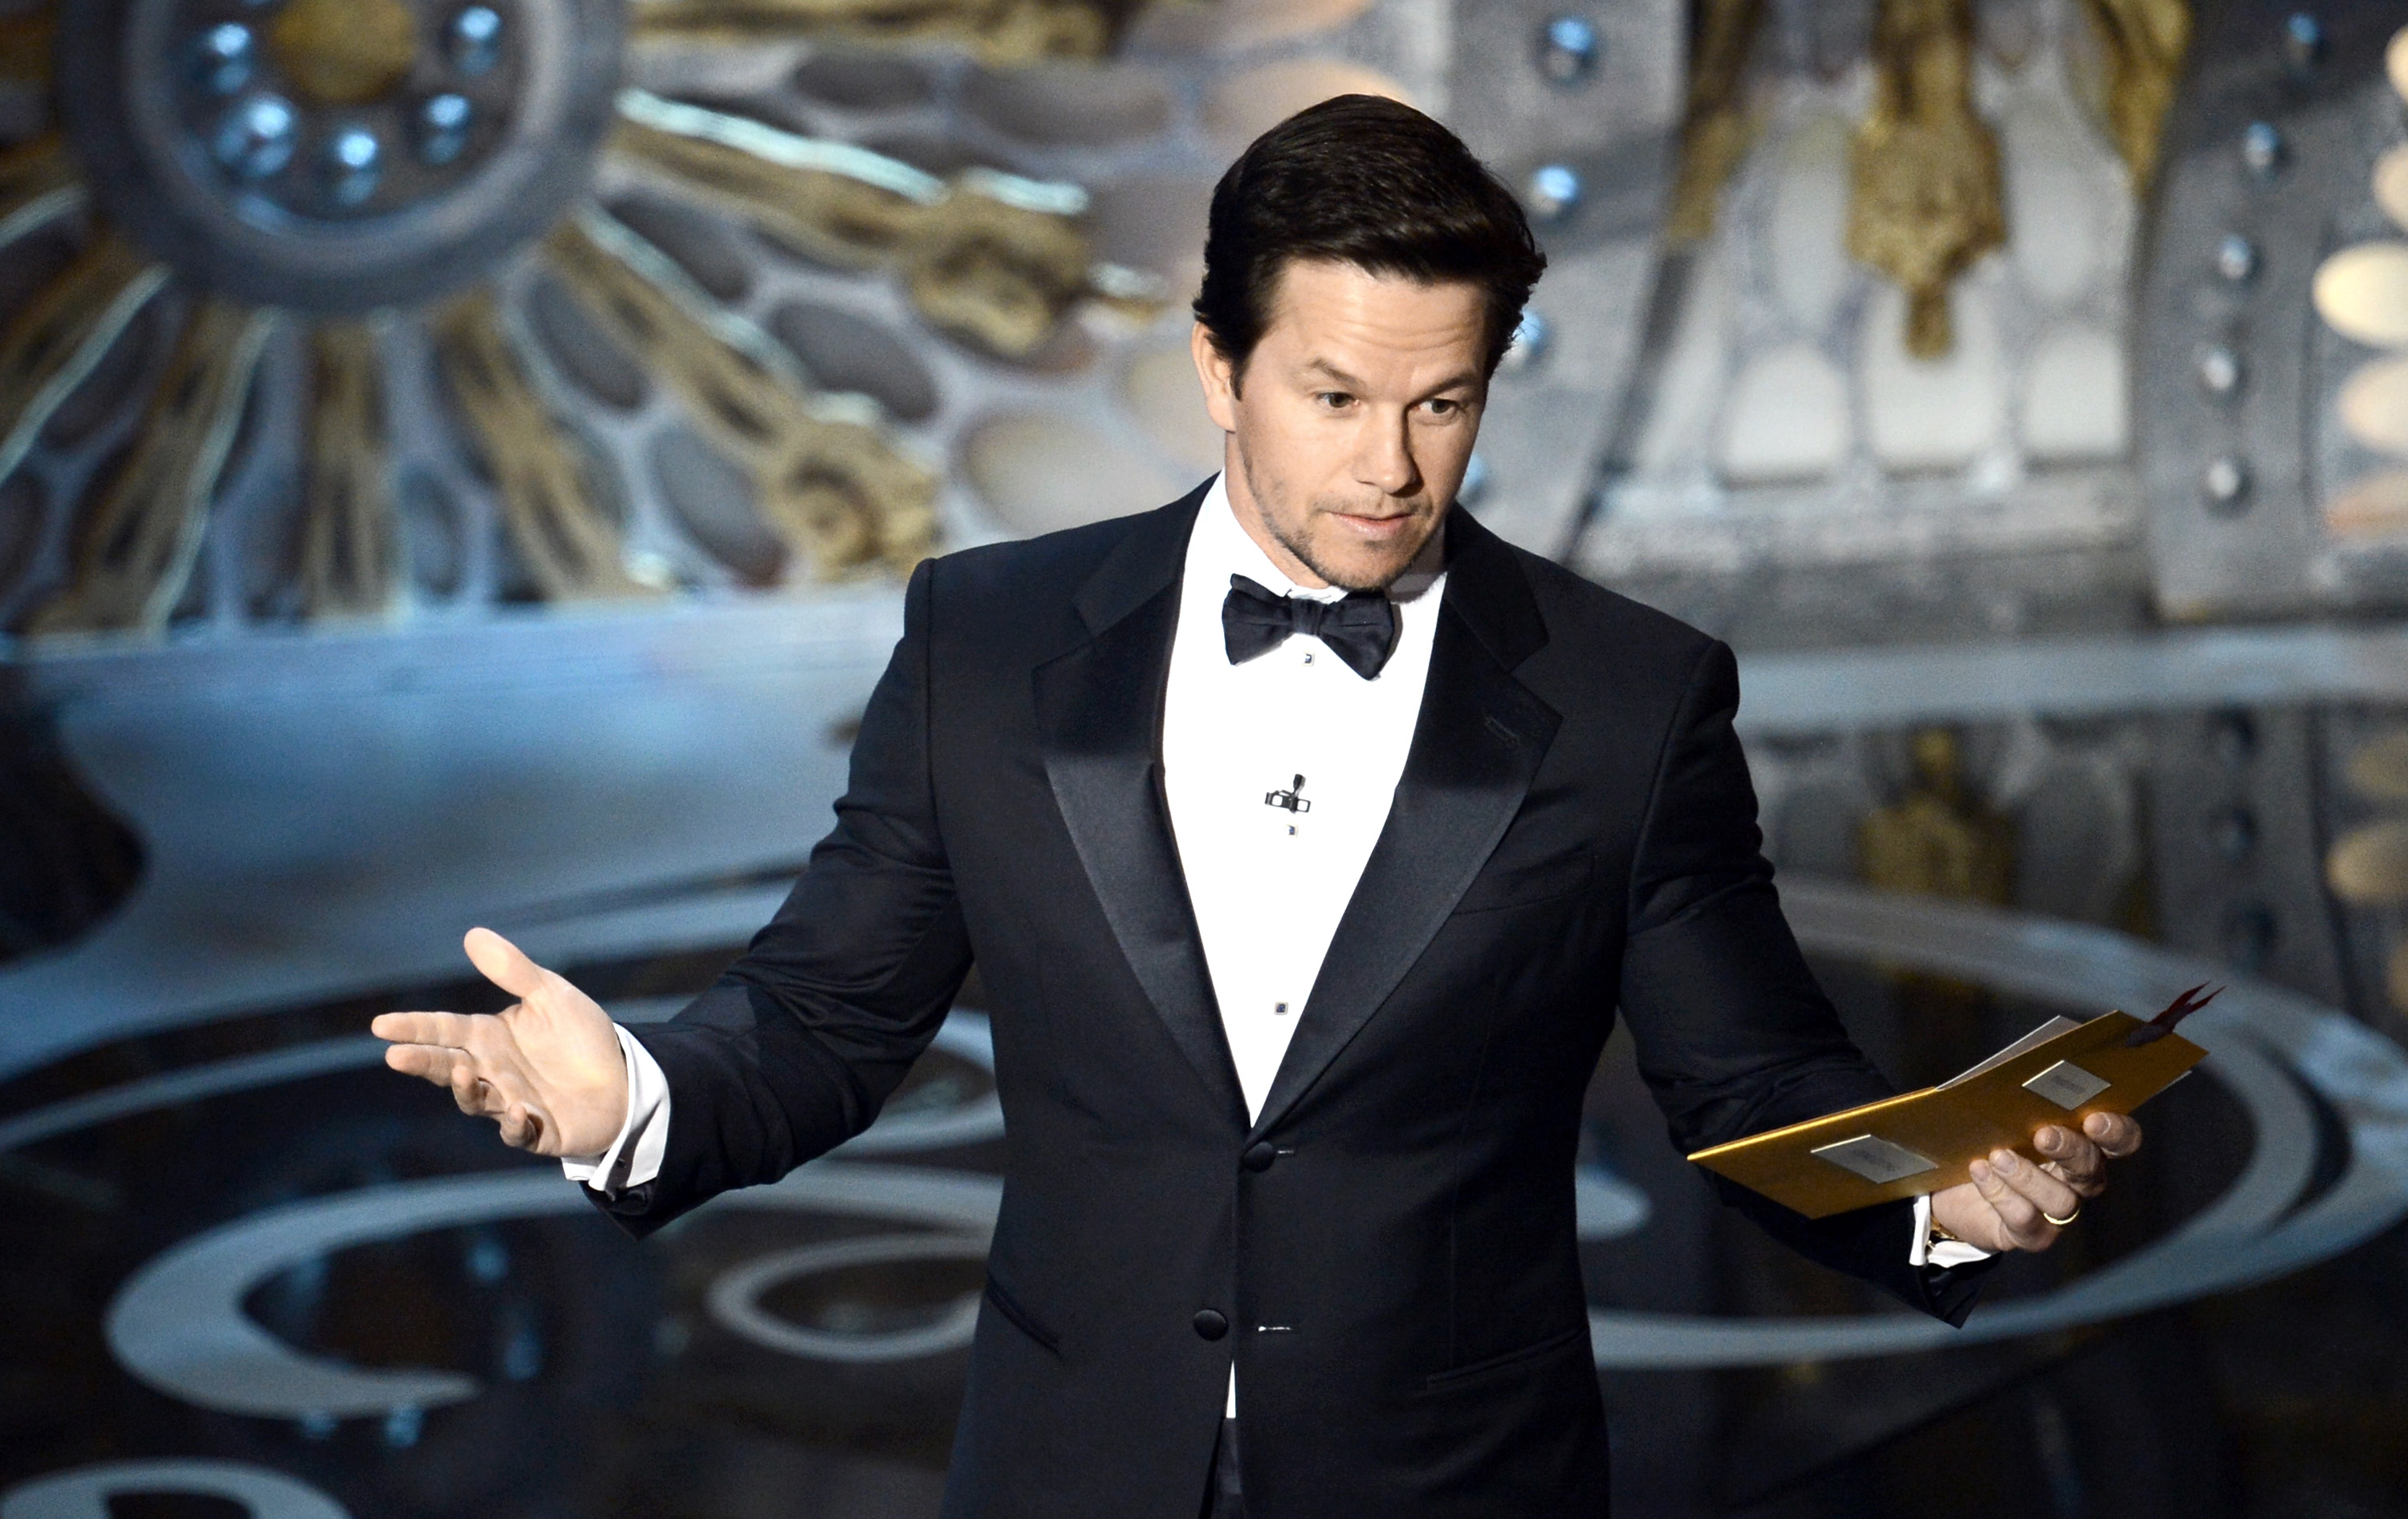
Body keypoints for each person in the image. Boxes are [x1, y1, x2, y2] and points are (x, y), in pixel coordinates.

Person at [374, 95, 2141, 1518]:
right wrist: (640, 1093)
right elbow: (833, 1013)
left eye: (1445, 402)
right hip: (1070, 1465)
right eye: (1337, 395)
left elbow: (1751, 1080)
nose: (1392, 467)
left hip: (1458, 1473)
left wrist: (1935, 1185)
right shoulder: (987, 641)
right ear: (1218, 366)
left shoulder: (1630, 693)